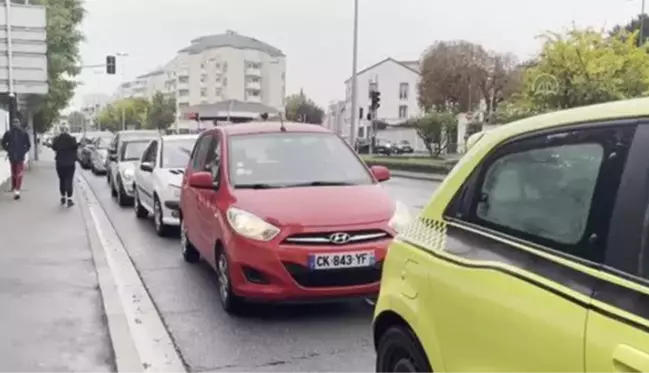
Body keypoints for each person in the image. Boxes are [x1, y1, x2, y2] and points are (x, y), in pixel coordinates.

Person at [1, 118, 31, 200]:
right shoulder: (13, 133)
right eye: (15, 123)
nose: (15, 124)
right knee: (17, 173)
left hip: (15, 156)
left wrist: (8, 149)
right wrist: (23, 151)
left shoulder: (13, 133)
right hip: (17, 156)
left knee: (16, 173)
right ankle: (16, 189)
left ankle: (16, 189)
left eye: (16, 123)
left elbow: (3, 143)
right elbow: (28, 145)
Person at [51, 126, 78, 207]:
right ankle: (69, 199)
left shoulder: (57, 139)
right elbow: (75, 147)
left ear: (60, 130)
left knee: (62, 180)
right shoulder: (72, 139)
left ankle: (63, 197)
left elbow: (54, 147)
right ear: (67, 130)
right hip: (70, 163)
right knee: (69, 180)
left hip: (60, 163)